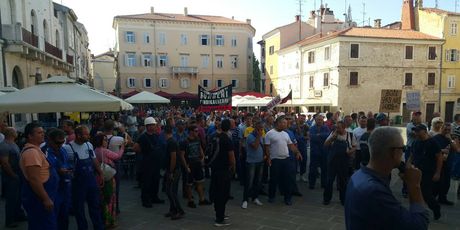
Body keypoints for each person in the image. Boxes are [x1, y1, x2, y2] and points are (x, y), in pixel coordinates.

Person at [345, 126, 429, 229]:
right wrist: (414, 186)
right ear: (393, 152)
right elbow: (418, 226)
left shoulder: (357, 175)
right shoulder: (374, 192)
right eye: (403, 148)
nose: (403, 152)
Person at [20, 122, 59, 230]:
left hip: (41, 196)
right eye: (39, 132)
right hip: (38, 199)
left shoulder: (36, 150)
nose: (43, 134)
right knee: (44, 225)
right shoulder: (32, 152)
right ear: (30, 136)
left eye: (43, 132)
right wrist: (46, 199)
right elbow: (34, 179)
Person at [65, 126, 104, 230]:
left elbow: (94, 160)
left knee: (95, 205)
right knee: (79, 208)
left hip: (91, 180)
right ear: (79, 135)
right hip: (77, 183)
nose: (88, 136)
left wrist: (100, 173)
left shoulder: (88, 145)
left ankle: (98, 227)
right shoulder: (67, 148)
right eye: (86, 134)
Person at [265, 116, 302, 206]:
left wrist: (297, 152)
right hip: (275, 160)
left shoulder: (286, 134)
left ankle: (287, 198)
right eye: (284, 123)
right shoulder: (270, 134)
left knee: (287, 180)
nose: (286, 124)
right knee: (274, 179)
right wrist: (268, 158)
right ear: (279, 123)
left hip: (286, 159)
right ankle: (271, 196)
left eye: (286, 123)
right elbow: (267, 147)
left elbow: (291, 145)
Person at [41, 128, 73, 230]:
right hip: (53, 190)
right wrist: (58, 170)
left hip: (65, 187)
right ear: (49, 140)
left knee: (64, 216)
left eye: (62, 142)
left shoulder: (62, 150)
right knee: (52, 218)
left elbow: (67, 163)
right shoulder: (43, 152)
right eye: (57, 143)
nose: (60, 145)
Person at [411, 124, 443, 220]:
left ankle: (435, 207)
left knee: (426, 193)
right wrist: (408, 166)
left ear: (424, 131)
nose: (415, 133)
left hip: (428, 172)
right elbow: (412, 155)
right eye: (415, 131)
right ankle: (418, 211)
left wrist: (438, 172)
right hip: (416, 170)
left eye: (418, 131)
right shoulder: (416, 142)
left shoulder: (432, 142)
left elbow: (439, 157)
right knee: (415, 191)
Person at [93, 133, 124, 228]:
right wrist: (122, 148)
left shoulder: (95, 150)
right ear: (100, 141)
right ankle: (109, 220)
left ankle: (103, 218)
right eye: (105, 140)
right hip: (108, 177)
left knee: (102, 198)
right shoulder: (104, 151)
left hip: (98, 177)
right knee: (110, 198)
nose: (106, 142)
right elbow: (117, 156)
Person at [133, 117, 165, 207]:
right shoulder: (143, 137)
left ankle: (154, 197)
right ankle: (146, 200)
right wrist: (143, 152)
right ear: (147, 126)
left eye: (153, 125)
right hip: (147, 163)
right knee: (146, 182)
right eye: (151, 125)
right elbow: (135, 148)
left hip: (155, 163)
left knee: (155, 181)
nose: (152, 127)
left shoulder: (155, 135)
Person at [209, 119, 236, 227]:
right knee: (223, 193)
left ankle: (219, 213)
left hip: (215, 168)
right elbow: (232, 157)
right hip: (224, 169)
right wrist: (233, 168)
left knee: (217, 191)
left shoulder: (216, 137)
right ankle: (219, 219)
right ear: (229, 127)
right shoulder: (227, 140)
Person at [323, 121, 356, 205]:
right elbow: (325, 144)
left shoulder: (350, 135)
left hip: (344, 161)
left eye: (339, 128)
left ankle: (343, 199)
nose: (337, 129)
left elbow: (355, 146)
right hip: (332, 161)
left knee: (343, 181)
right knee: (329, 180)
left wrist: (350, 151)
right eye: (336, 127)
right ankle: (326, 199)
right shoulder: (333, 134)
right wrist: (332, 138)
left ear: (344, 127)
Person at [0, 127, 26, 228]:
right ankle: (9, 220)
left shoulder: (12, 143)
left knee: (17, 197)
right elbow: (5, 163)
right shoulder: (4, 146)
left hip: (17, 174)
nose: (17, 133)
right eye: (15, 131)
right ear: (11, 133)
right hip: (11, 176)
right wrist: (13, 175)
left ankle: (18, 215)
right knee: (11, 199)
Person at [180, 125, 211, 208]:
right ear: (191, 132)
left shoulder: (197, 139)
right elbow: (182, 155)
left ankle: (202, 199)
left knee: (199, 181)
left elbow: (199, 147)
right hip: (189, 164)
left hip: (197, 163)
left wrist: (203, 157)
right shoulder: (185, 142)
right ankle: (190, 200)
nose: (198, 132)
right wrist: (186, 167)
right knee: (189, 184)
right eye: (196, 131)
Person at [103, 120, 125, 214]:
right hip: (115, 163)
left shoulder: (100, 137)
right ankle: (115, 207)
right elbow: (128, 142)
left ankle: (105, 207)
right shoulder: (119, 139)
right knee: (116, 186)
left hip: (103, 164)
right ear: (113, 128)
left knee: (103, 186)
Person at [241, 121, 265, 209]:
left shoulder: (261, 136)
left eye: (262, 129)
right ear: (255, 129)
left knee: (258, 181)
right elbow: (255, 146)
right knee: (249, 182)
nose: (261, 131)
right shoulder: (250, 137)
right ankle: (245, 200)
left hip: (260, 161)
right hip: (251, 162)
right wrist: (259, 136)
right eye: (259, 129)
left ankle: (255, 197)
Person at [163, 125, 185, 220]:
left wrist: (171, 171)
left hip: (174, 170)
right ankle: (173, 209)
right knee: (168, 190)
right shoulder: (171, 141)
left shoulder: (171, 142)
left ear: (165, 133)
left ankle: (179, 210)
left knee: (172, 191)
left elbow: (174, 157)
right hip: (171, 169)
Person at [431, 123, 456, 206]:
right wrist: (442, 150)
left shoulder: (450, 139)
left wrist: (450, 140)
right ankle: (432, 198)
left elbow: (456, 149)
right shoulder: (436, 138)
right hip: (438, 163)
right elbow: (432, 149)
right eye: (445, 129)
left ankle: (442, 198)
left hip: (448, 163)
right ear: (441, 129)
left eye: (449, 130)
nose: (447, 131)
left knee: (446, 182)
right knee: (437, 182)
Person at [308, 115, 330, 189]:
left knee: (325, 169)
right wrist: (321, 137)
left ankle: (323, 183)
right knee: (313, 169)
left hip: (324, 151)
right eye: (318, 120)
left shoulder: (326, 128)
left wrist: (319, 135)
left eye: (321, 120)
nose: (320, 121)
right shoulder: (312, 128)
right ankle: (311, 184)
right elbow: (312, 137)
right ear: (315, 120)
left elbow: (328, 136)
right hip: (314, 152)